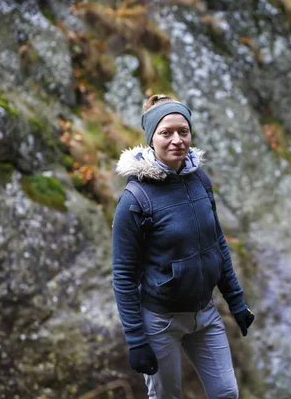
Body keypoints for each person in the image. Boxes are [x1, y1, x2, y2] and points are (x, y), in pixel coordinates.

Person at [111, 94, 255, 399]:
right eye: (166, 133)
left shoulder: (199, 181)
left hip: (205, 314)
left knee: (227, 394)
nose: (177, 140)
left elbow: (217, 243)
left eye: (183, 132)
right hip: (161, 321)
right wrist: (136, 340)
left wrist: (237, 302)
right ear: (152, 138)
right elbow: (123, 276)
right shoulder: (135, 200)